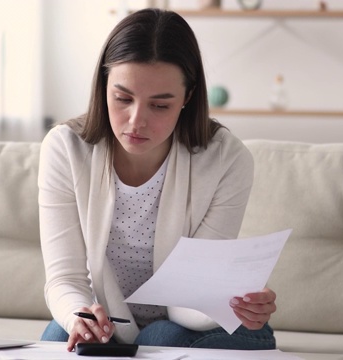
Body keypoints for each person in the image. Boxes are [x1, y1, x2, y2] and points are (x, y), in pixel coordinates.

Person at [37, 8, 276, 352]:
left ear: (188, 97)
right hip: (118, 319)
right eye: (122, 98)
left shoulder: (226, 159)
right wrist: (80, 317)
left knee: (160, 337)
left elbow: (191, 299)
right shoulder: (65, 148)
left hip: (197, 319)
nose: (136, 121)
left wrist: (236, 303)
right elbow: (65, 279)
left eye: (160, 106)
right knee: (60, 337)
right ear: (103, 86)